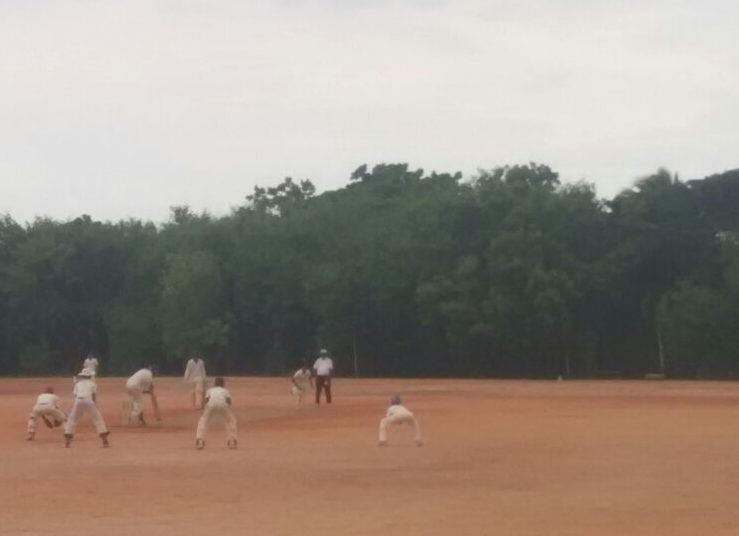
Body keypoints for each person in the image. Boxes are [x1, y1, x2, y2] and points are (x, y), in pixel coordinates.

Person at [64, 368, 109, 448]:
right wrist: (95, 406)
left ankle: (67, 441)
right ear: (90, 376)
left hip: (78, 400)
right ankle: (104, 440)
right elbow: (93, 396)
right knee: (98, 418)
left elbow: (75, 395)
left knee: (72, 419)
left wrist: (78, 407)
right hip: (89, 400)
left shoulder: (77, 384)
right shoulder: (93, 384)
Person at [195, 376, 237, 450]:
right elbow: (229, 402)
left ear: (214, 383)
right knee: (230, 421)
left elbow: (206, 400)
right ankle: (232, 441)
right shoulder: (225, 390)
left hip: (211, 404)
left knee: (203, 421)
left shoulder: (210, 390)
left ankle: (200, 440)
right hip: (223, 404)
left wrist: (206, 409)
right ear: (223, 383)